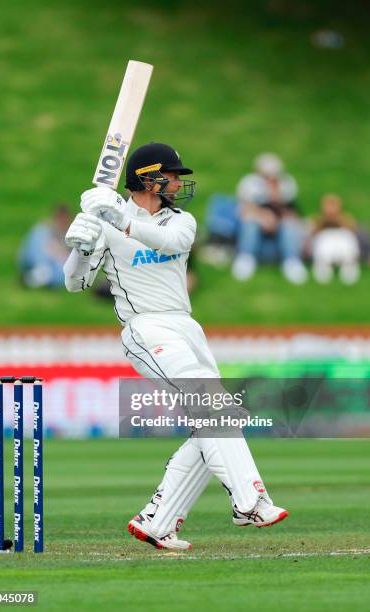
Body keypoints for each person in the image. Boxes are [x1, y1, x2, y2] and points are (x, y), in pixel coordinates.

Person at [63, 143, 288, 551]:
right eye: (173, 175)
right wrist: (81, 248)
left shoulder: (181, 221)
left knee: (218, 416)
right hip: (145, 328)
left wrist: (120, 221)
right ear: (149, 178)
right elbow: (75, 282)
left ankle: (157, 521)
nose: (180, 182)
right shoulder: (108, 223)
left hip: (186, 327)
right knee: (212, 404)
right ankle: (250, 500)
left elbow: (167, 243)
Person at [232, 153, 308, 284]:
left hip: (279, 234)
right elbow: (242, 210)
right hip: (256, 230)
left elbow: (293, 213)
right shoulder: (249, 184)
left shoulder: (287, 185)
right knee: (250, 222)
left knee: (289, 224)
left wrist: (276, 198)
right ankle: (246, 258)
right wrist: (263, 216)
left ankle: (292, 261)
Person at [309, 193, 361, 284]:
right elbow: (311, 233)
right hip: (325, 251)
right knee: (323, 238)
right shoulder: (318, 220)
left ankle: (348, 266)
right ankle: (323, 267)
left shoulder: (346, 219)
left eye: (333, 205)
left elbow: (355, 231)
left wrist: (338, 220)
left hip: (342, 249)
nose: (331, 209)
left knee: (347, 236)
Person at [18, 203, 71, 288]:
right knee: (40, 232)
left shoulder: (69, 235)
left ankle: (40, 276)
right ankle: (41, 273)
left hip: (56, 267)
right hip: (37, 261)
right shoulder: (43, 230)